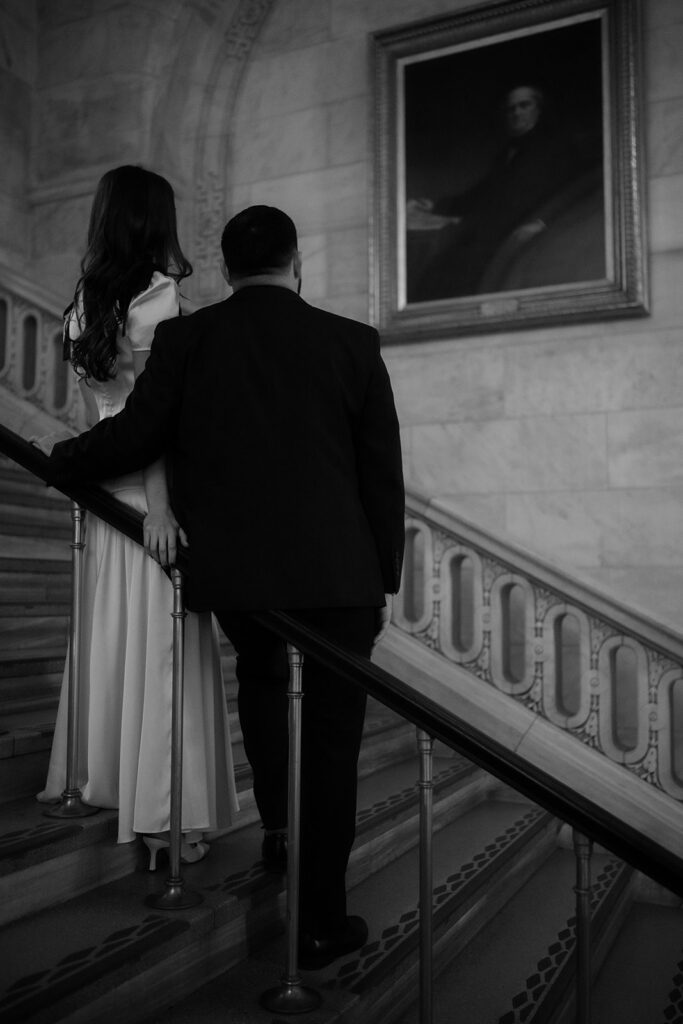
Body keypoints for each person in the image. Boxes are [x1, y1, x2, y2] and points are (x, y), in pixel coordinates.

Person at [44, 204, 405, 970]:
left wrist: (60, 456)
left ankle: (278, 832)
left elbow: (138, 434)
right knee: (333, 748)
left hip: (241, 582)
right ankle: (318, 924)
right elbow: (381, 474)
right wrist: (380, 578)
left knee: (266, 689)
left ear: (229, 270)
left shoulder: (188, 337)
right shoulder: (350, 342)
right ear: (295, 261)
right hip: (338, 583)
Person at [37, 165, 238, 863]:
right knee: (161, 653)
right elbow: (155, 423)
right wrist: (160, 508)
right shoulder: (157, 301)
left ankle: (116, 782)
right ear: (156, 219)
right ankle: (164, 815)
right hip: (146, 499)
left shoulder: (82, 305)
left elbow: (96, 413)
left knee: (120, 641)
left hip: (102, 495)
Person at [406, 84, 599, 300]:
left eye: (524, 105)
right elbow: (482, 193)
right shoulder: (508, 154)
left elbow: (574, 189)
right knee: (441, 265)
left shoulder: (557, 147)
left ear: (539, 109)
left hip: (523, 231)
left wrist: (543, 222)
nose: (516, 112)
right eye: (511, 109)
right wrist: (435, 205)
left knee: (455, 266)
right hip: (492, 231)